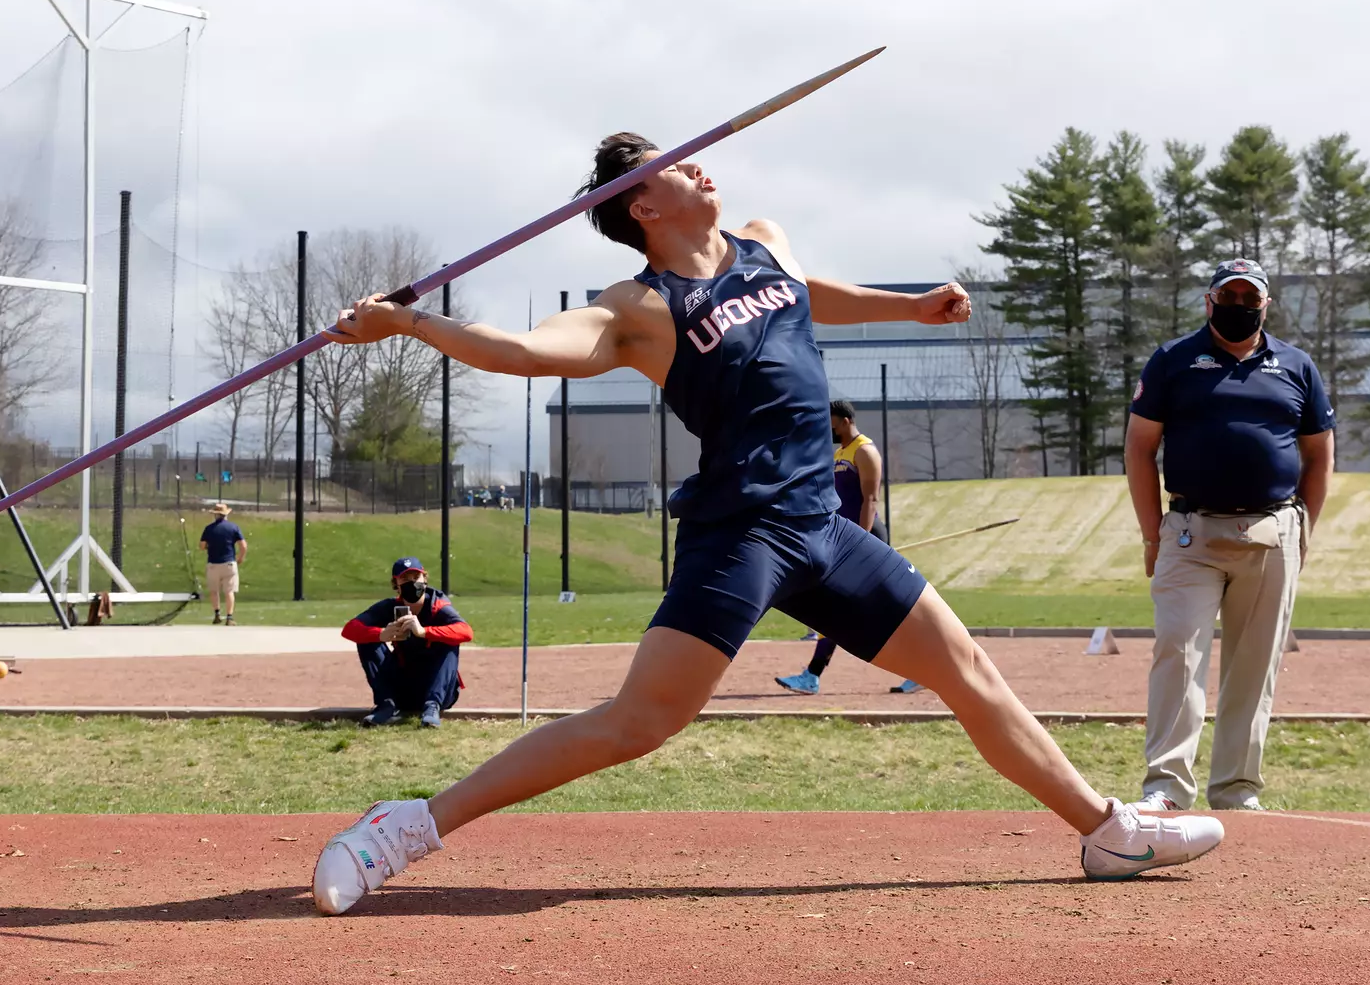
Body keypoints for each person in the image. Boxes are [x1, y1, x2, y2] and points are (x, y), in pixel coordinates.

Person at [310, 132, 1224, 916]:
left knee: (967, 668)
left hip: (822, 526)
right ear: (641, 209)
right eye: (678, 167)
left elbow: (807, 294)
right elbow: (520, 352)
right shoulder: (638, 311)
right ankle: (410, 825)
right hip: (740, 534)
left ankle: (1109, 832)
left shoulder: (764, 246)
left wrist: (907, 307)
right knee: (640, 722)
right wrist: (411, 325)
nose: (703, 170)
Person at [1124, 259, 1335, 813]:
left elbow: (1319, 453)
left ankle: (1236, 789)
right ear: (1209, 300)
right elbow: (1139, 447)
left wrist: (1302, 530)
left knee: (1254, 664)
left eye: (1250, 298)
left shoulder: (1297, 365)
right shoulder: (1173, 361)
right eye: (1229, 295)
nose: (1238, 306)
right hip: (1191, 533)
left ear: (1266, 304)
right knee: (1178, 652)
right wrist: (1153, 534)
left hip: (1273, 531)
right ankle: (1166, 788)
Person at [774, 399, 898, 694]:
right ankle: (812, 676)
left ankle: (812, 675)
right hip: (845, 539)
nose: (826, 428)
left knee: (850, 609)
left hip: (865, 538)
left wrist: (862, 541)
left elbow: (870, 499)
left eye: (829, 421)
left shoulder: (865, 451)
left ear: (843, 420)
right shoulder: (840, 453)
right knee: (861, 610)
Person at [340, 556, 472, 728]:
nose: (411, 583)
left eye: (415, 578)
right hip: (403, 687)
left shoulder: (438, 607)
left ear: (424, 579)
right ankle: (386, 705)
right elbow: (350, 629)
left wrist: (424, 632)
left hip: (438, 689)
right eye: (404, 579)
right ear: (396, 584)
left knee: (451, 640)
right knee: (366, 639)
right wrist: (381, 634)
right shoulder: (389, 607)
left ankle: (432, 707)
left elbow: (466, 631)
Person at [198, 503, 247, 625]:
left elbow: (202, 546)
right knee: (229, 591)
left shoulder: (209, 528)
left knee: (214, 591)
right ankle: (229, 617)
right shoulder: (233, 527)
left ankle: (217, 614)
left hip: (213, 563)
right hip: (229, 562)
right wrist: (240, 557)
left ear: (215, 515)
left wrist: (211, 545)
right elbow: (243, 545)